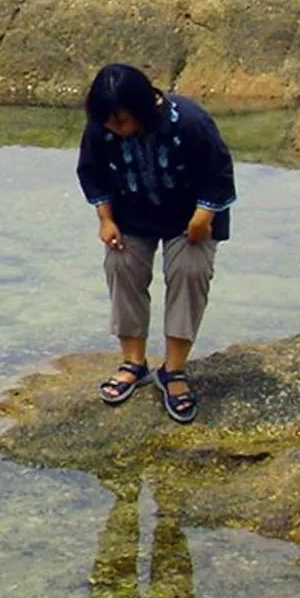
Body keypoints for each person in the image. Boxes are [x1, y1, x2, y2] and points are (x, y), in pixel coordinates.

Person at [76, 63, 236, 423]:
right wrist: (105, 219)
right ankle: (134, 361)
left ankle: (174, 369)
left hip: (192, 213)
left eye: (122, 121)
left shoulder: (189, 122)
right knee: (121, 266)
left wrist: (202, 217)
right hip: (131, 211)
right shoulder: (101, 128)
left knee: (190, 270)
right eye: (108, 123)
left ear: (143, 108)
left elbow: (219, 171)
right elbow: (91, 171)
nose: (114, 129)